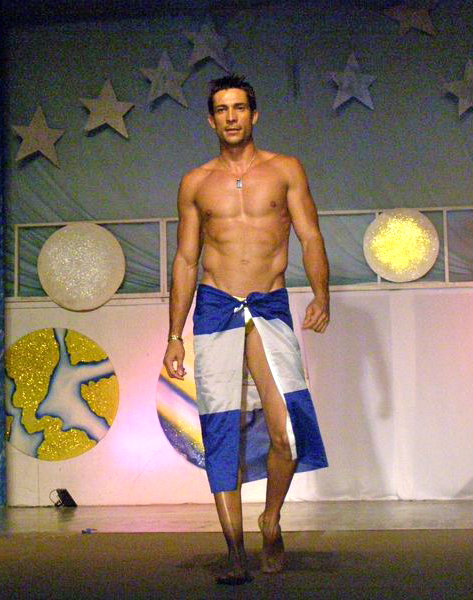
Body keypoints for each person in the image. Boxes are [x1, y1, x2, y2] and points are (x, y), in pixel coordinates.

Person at [163, 74, 330, 585]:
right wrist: (174, 335)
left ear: (254, 115)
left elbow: (310, 235)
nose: (231, 116)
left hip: (268, 305)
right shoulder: (196, 183)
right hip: (215, 306)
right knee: (220, 430)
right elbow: (186, 259)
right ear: (211, 120)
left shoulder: (285, 170)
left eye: (239, 107)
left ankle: (270, 520)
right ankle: (235, 550)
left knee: (287, 431)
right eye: (222, 109)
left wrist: (322, 294)